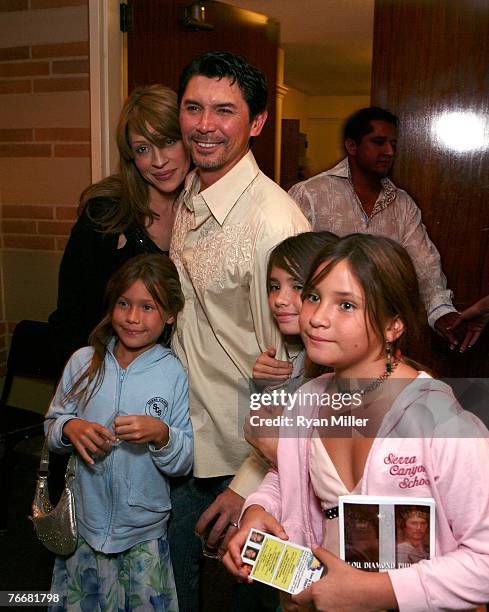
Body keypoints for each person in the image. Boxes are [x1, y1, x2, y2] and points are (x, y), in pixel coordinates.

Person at [224, 234, 489, 611]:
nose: (316, 317)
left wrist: (370, 591)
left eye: (346, 304)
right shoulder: (309, 400)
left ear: (392, 326)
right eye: (313, 296)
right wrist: (257, 510)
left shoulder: (442, 425)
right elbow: (293, 472)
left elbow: (484, 561)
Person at [169, 51, 310, 610]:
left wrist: (249, 483)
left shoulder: (274, 223)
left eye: (224, 111)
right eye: (193, 107)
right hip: (184, 437)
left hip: (241, 461)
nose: (204, 125)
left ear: (255, 123)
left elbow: (300, 373)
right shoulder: (192, 191)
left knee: (248, 600)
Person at [45, 254, 193, 611]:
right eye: (124, 303)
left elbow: (184, 461)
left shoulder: (174, 373)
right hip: (85, 525)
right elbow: (51, 426)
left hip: (143, 533)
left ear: (170, 314)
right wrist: (71, 428)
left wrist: (161, 434)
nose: (132, 317)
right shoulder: (83, 362)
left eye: (148, 307)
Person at [288, 107, 462, 349]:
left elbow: (426, 267)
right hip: (320, 334)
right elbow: (289, 266)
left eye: (393, 144)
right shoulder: (311, 194)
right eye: (378, 142)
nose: (389, 151)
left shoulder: (401, 204)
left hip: (382, 339)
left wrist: (441, 312)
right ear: (352, 146)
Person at [49, 84, 190, 373]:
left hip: (177, 381)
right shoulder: (105, 215)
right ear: (131, 158)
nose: (159, 161)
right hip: (106, 377)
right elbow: (72, 316)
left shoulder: (203, 212)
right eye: (143, 149)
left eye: (168, 141)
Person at [246, 231, 338, 466]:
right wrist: (268, 386)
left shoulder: (340, 371)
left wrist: (268, 442)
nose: (279, 299)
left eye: (297, 286)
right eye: (274, 286)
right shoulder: (302, 359)